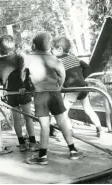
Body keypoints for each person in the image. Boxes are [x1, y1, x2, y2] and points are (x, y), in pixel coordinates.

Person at [23, 32, 82, 165]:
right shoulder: (54, 59)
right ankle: (73, 150)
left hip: (40, 94)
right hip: (55, 93)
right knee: (62, 121)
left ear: (33, 45)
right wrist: (59, 86)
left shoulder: (29, 59)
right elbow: (62, 73)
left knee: (45, 125)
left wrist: (29, 87)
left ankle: (42, 156)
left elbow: (24, 77)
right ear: (49, 46)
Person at [0, 35, 38, 152]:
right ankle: (32, 143)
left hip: (10, 94)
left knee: (16, 119)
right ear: (14, 46)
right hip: (22, 91)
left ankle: (21, 143)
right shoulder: (19, 58)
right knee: (28, 117)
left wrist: (2, 94)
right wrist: (25, 86)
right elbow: (24, 73)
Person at [51, 36, 103, 137]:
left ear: (60, 49)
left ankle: (69, 130)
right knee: (88, 109)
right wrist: (81, 78)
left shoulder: (58, 61)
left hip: (72, 89)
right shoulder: (74, 58)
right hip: (83, 87)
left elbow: (56, 76)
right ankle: (99, 129)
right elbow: (87, 67)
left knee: (63, 111)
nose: (51, 51)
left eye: (52, 48)